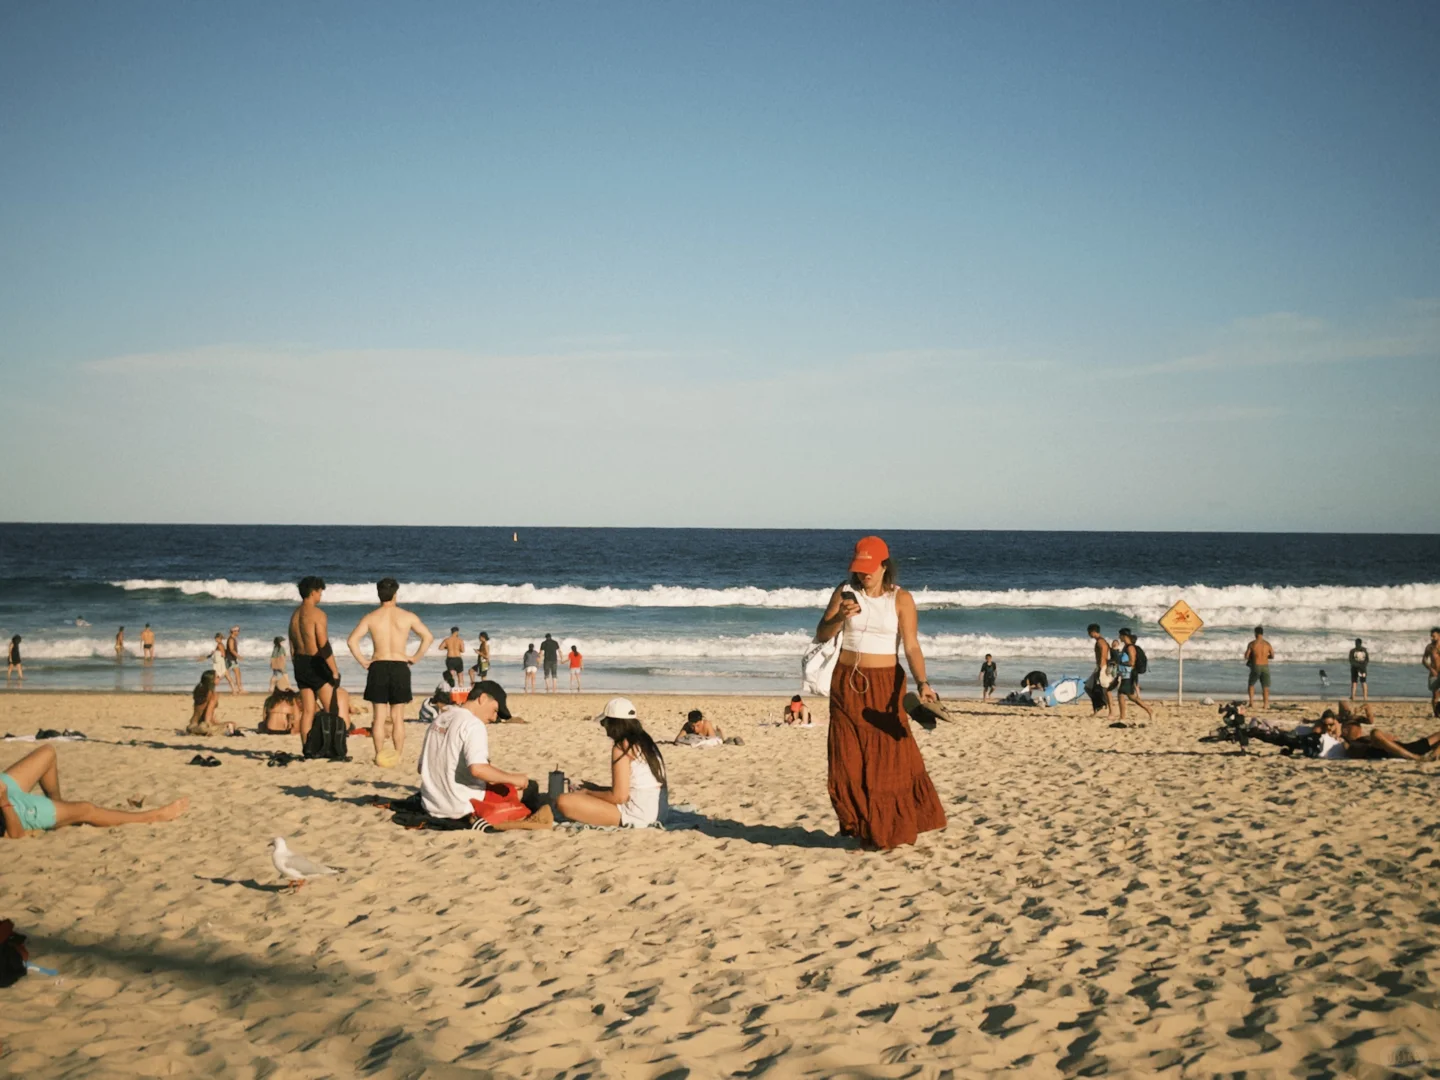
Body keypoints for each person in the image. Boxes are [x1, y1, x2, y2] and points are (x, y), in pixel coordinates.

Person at [813, 536, 946, 850]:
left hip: (887, 685)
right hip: (845, 684)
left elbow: (911, 646)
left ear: (885, 565)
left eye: (870, 568)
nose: (864, 575)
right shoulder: (844, 592)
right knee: (846, 761)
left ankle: (888, 830)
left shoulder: (901, 599)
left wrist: (923, 683)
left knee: (886, 762)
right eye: (859, 569)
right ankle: (862, 826)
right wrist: (840, 618)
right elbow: (821, 633)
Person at [2, 745, 189, 837]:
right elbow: (15, 835)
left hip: (5, 787)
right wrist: (4, 801)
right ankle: (152, 816)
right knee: (87, 809)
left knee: (48, 752)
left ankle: (60, 810)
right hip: (19, 811)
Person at [347, 577, 435, 767]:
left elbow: (352, 640)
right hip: (399, 665)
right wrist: (415, 657)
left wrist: (363, 661)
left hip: (378, 666)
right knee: (397, 717)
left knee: (378, 717)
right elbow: (428, 637)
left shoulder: (371, 617)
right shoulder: (407, 616)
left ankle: (380, 755)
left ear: (379, 595)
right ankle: (397, 755)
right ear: (396, 594)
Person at [416, 680, 526, 819]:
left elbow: (421, 767)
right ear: (483, 698)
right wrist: (513, 779)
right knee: (524, 789)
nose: (494, 718)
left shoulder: (439, 719)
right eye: (495, 711)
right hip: (461, 806)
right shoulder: (473, 724)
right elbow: (478, 769)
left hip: (431, 804)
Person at [556, 698, 667, 827]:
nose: (604, 728)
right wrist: (597, 789)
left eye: (604, 723)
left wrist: (588, 793)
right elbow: (635, 787)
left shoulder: (622, 747)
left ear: (613, 723)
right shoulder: (647, 743)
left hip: (639, 815)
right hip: (660, 812)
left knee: (564, 801)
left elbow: (619, 797)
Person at [289, 576, 341, 747]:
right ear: (313, 593)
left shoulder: (294, 616)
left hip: (300, 663)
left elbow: (292, 646)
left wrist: (297, 665)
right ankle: (332, 747)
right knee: (331, 710)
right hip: (315, 663)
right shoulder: (318, 614)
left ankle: (307, 748)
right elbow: (323, 644)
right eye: (320, 592)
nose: (321, 596)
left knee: (308, 711)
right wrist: (334, 670)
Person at [1116, 628, 1153, 722]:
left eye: (1120, 635)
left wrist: (1120, 663)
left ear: (1124, 636)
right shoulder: (1126, 647)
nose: (1119, 637)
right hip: (1126, 674)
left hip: (1130, 674)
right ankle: (1149, 709)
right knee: (1131, 696)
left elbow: (1132, 662)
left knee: (1120, 693)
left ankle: (1122, 717)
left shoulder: (1130, 647)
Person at [186, 671, 236, 736]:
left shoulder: (198, 690)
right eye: (217, 677)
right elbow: (207, 719)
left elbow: (201, 711)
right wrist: (216, 724)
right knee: (232, 724)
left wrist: (214, 720)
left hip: (192, 724)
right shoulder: (213, 694)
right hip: (202, 727)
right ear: (212, 680)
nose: (220, 678)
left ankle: (195, 731)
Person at [1085, 625, 1114, 718]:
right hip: (1100, 667)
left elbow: (1104, 655)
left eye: (1089, 632)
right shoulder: (1100, 641)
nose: (1088, 634)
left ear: (1093, 632)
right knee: (1088, 687)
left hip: (1102, 668)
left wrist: (1101, 668)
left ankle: (1111, 712)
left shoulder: (1101, 642)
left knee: (1106, 690)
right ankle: (1099, 706)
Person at [1245, 626, 1275, 708]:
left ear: (1255, 633)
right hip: (1265, 666)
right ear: (1262, 633)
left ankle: (1251, 702)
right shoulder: (1267, 644)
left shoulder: (1252, 644)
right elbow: (1272, 656)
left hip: (1256, 666)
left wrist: (1252, 657)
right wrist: (1265, 657)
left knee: (1251, 684)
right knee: (1265, 686)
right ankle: (1265, 704)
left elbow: (1246, 656)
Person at [221, 626, 242, 694]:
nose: (238, 632)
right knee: (225, 674)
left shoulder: (233, 639)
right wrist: (238, 656)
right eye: (238, 630)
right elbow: (231, 649)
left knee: (238, 674)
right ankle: (235, 689)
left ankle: (239, 689)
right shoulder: (231, 639)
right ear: (234, 631)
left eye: (238, 630)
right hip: (230, 659)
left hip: (233, 659)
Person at [1424, 628, 1440, 711]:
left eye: (1434, 636)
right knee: (1435, 695)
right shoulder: (1429, 647)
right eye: (1431, 636)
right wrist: (1431, 669)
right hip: (1434, 673)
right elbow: (1424, 660)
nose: (1432, 638)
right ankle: (1436, 713)